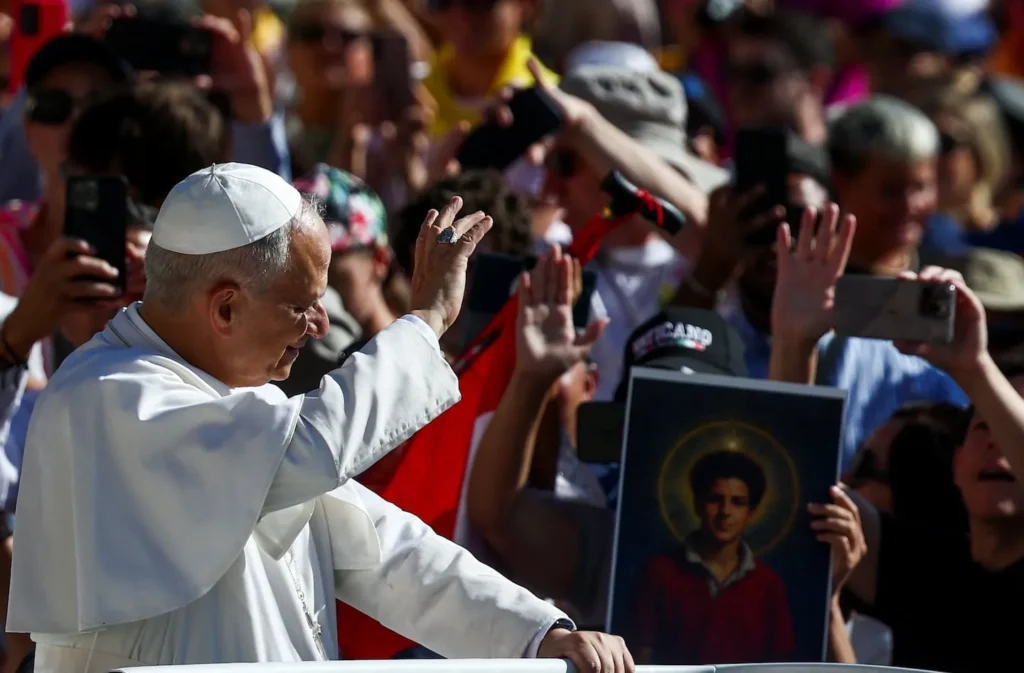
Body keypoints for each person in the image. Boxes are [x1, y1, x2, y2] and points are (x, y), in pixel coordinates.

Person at [7, 163, 633, 673]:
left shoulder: (237, 404)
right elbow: (312, 447)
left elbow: (388, 551)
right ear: (225, 309)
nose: (321, 324)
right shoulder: (108, 396)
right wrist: (425, 323)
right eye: (303, 304)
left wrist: (540, 634)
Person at [631, 449, 797, 665]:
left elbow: (779, 663)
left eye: (737, 502)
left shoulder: (768, 584)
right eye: (715, 499)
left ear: (751, 513)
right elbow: (642, 654)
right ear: (697, 504)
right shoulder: (661, 571)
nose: (725, 511)